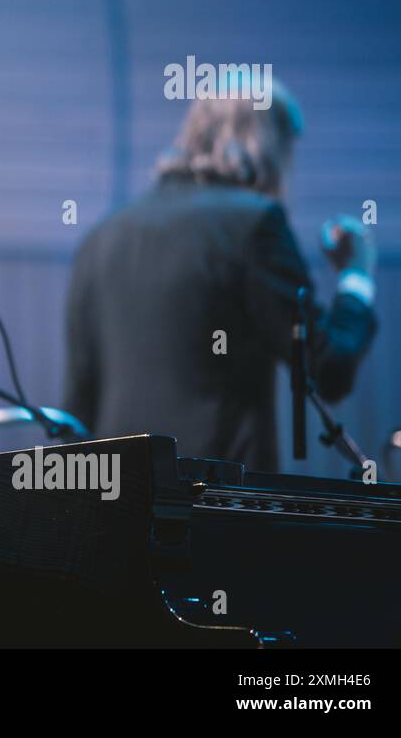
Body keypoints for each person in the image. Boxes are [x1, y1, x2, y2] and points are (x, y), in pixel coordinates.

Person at [62, 75, 376, 471]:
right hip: (216, 506)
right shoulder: (256, 224)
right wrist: (356, 277)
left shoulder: (100, 238)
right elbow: (328, 368)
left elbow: (76, 411)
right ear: (268, 146)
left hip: (118, 502)